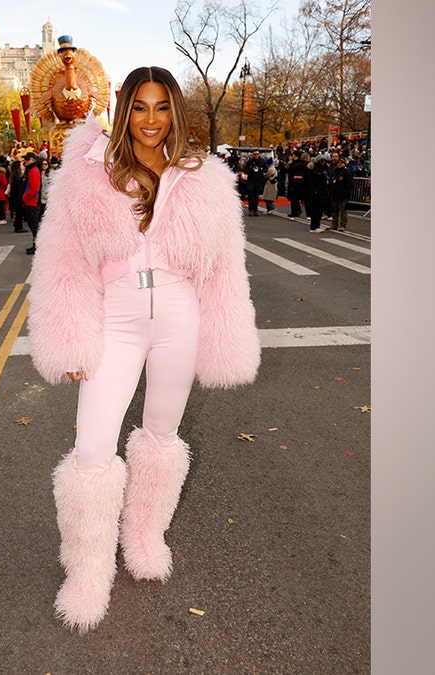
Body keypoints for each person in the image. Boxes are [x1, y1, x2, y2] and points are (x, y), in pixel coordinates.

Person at [26, 66, 260, 633]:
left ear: (174, 113)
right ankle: (86, 570)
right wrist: (70, 338)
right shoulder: (90, 174)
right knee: (92, 451)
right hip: (115, 319)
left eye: (161, 108)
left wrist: (227, 338)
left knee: (160, 435)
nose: (151, 120)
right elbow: (62, 263)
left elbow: (227, 269)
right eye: (139, 107)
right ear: (124, 109)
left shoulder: (205, 178)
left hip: (181, 319)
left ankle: (144, 535)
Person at [21, 152, 42, 254]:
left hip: (31, 202)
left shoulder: (33, 171)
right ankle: (36, 245)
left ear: (33, 160)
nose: (25, 161)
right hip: (30, 201)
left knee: (34, 226)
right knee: (33, 226)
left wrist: (24, 198)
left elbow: (34, 188)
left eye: (27, 159)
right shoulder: (30, 170)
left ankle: (37, 246)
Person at [305, 154, 330, 233]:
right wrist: (311, 193)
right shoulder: (314, 170)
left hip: (323, 192)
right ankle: (313, 226)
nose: (323, 162)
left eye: (324, 160)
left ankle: (317, 225)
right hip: (316, 193)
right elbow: (310, 183)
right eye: (321, 160)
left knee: (320, 211)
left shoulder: (326, 169)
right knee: (315, 211)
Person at [328, 155, 354, 231]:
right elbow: (331, 181)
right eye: (338, 162)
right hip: (335, 194)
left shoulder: (346, 172)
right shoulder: (334, 171)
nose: (339, 164)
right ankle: (334, 225)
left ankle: (343, 225)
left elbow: (349, 184)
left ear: (344, 164)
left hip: (343, 195)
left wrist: (347, 193)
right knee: (334, 211)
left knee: (343, 211)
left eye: (341, 163)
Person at [243, 150, 266, 216]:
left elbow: (266, 169)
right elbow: (245, 171)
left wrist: (262, 169)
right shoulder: (249, 162)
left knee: (256, 196)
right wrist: (250, 169)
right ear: (253, 155)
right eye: (255, 154)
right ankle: (250, 209)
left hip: (258, 181)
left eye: (257, 154)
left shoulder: (262, 161)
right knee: (250, 195)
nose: (256, 155)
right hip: (251, 180)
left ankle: (255, 210)